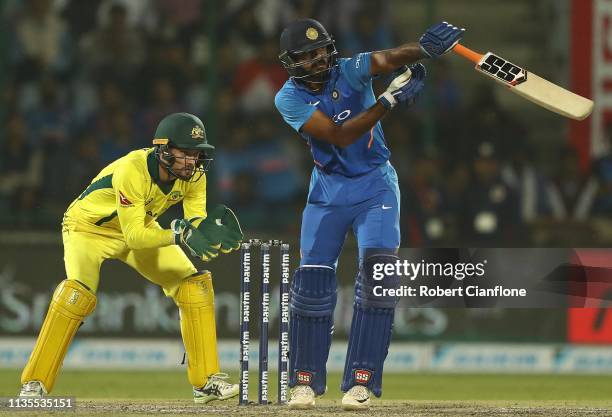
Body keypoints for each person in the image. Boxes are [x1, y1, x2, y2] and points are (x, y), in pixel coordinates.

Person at [274, 19, 464, 409]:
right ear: (292, 63)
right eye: (307, 56)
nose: (318, 59)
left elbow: (388, 58)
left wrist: (425, 49)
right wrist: (387, 102)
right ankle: (304, 382)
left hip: (375, 185)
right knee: (311, 287)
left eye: (321, 50)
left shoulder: (349, 68)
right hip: (327, 192)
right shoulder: (288, 98)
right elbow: (340, 135)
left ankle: (361, 381)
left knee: (379, 281)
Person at [18, 112, 244, 404]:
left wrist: (207, 233)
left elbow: (193, 221)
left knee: (194, 285)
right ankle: (34, 384)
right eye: (185, 153)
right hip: (89, 229)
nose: (192, 161)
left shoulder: (193, 175)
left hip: (140, 224)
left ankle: (205, 383)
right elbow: (136, 237)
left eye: (196, 154)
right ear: (164, 150)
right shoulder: (132, 169)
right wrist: (178, 233)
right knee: (77, 294)